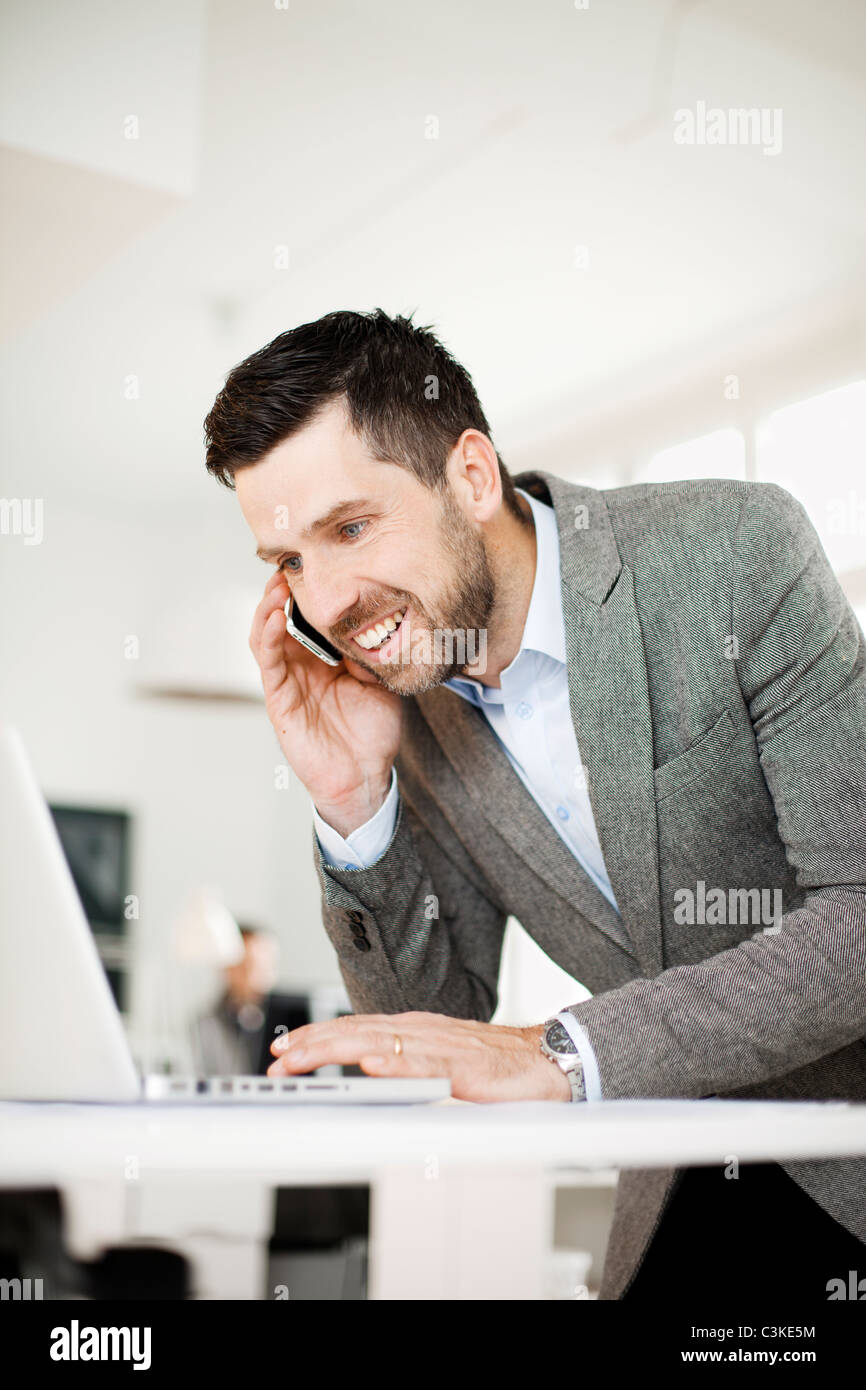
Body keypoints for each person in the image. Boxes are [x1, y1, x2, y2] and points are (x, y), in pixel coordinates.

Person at [202, 308, 866, 1300]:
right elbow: (430, 1033)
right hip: (678, 1183)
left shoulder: (731, 555)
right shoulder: (409, 708)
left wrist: (562, 1053)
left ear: (470, 474)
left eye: (349, 526)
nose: (326, 600)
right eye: (291, 561)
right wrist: (355, 802)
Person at [193, 924, 309, 1076]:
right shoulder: (208, 1021)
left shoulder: (297, 1014)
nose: (258, 973)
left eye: (266, 964)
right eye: (248, 965)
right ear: (228, 967)